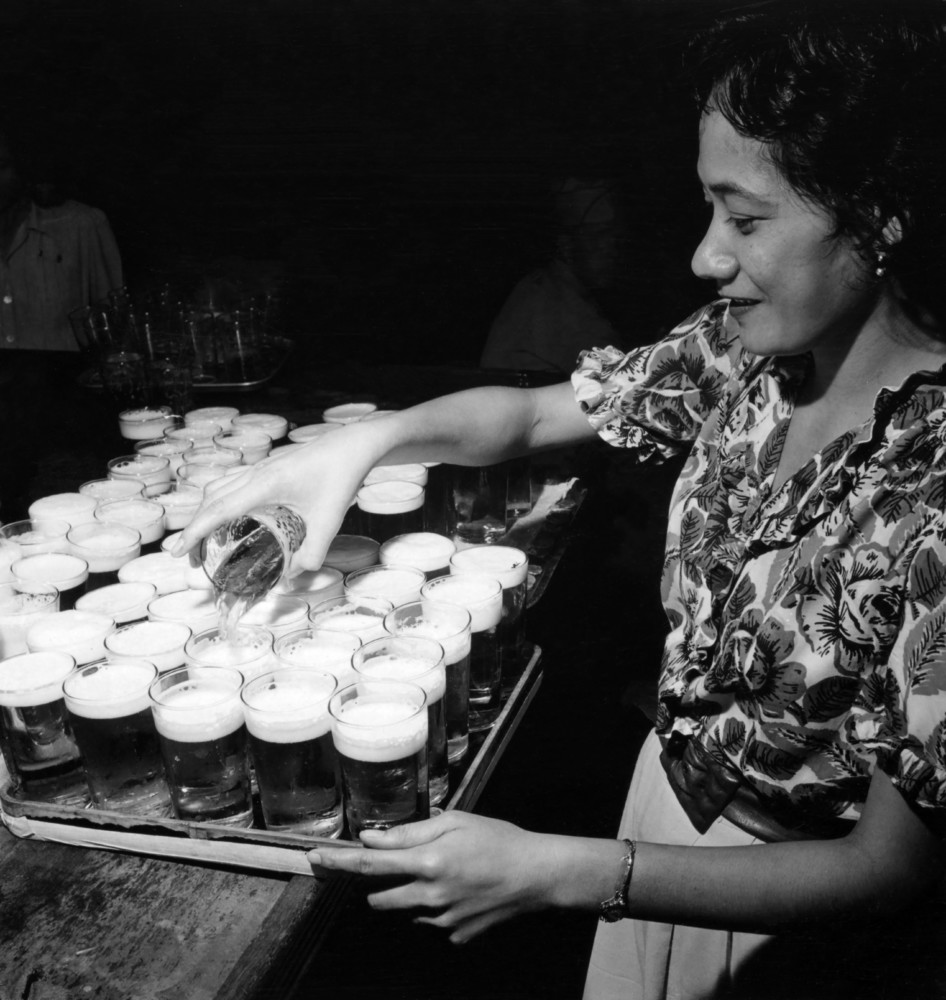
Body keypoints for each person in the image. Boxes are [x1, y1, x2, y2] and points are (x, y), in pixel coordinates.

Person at [178, 4, 946, 997]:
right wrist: (363, 443)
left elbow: (888, 870)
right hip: (655, 821)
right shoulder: (743, 352)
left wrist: (562, 872)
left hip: (784, 919)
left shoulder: (930, 479)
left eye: (746, 219)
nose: (706, 256)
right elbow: (532, 416)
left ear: (878, 219)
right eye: (708, 208)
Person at [479, 176, 628, 376]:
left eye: (614, 237)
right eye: (598, 237)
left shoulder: (565, 293)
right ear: (567, 245)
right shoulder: (549, 302)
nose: (610, 249)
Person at [0, 129, 123, 351]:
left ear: (22, 166)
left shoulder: (80, 225)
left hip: (66, 373)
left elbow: (116, 321)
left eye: (1, 166)